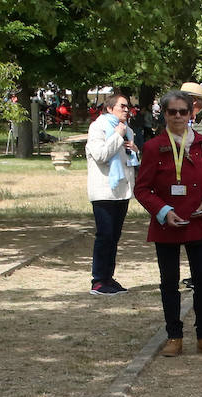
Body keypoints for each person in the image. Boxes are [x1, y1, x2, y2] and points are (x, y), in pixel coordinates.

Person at [134, 89, 202, 357]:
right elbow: (142, 189)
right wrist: (162, 211)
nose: (177, 116)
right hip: (167, 224)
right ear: (164, 114)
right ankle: (174, 335)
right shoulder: (153, 147)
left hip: (198, 221)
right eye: (172, 111)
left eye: (182, 111)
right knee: (169, 282)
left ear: (191, 113)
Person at [86, 92, 138, 296]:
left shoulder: (128, 130)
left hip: (122, 190)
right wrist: (117, 135)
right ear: (109, 108)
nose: (127, 110)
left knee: (114, 236)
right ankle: (98, 280)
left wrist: (134, 150)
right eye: (122, 106)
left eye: (127, 107)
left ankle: (108, 277)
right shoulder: (98, 127)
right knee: (104, 235)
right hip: (104, 191)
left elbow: (129, 159)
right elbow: (100, 155)